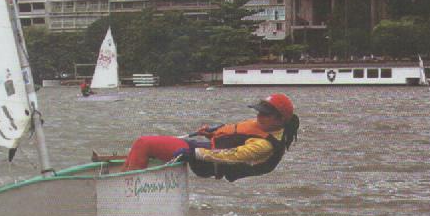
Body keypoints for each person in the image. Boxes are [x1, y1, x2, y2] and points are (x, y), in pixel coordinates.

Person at [122, 93, 300, 182]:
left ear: (280, 120)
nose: (259, 117)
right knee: (139, 146)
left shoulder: (265, 145)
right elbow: (237, 133)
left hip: (208, 161)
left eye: (265, 114)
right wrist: (214, 133)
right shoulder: (265, 126)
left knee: (144, 143)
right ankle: (124, 180)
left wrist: (194, 153)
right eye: (259, 112)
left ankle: (127, 194)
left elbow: (230, 155)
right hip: (205, 149)